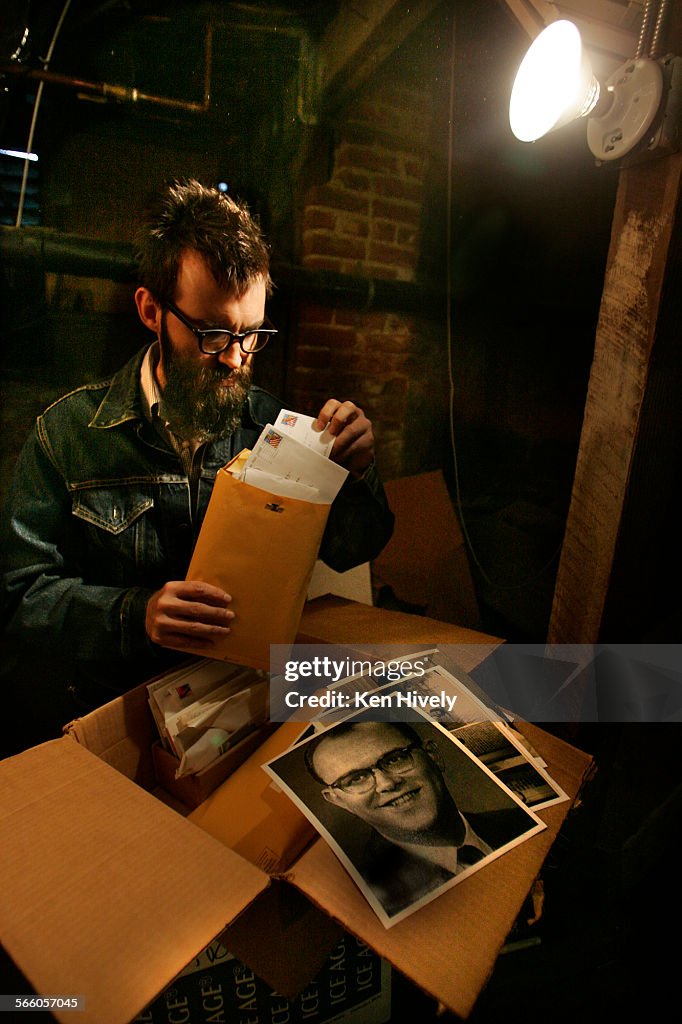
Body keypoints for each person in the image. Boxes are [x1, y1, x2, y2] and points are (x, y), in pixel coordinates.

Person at [0, 180, 394, 730]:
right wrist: (137, 614)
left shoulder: (269, 428)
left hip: (240, 706)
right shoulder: (67, 435)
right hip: (115, 711)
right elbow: (18, 597)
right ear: (150, 310)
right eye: (212, 333)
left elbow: (355, 549)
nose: (235, 359)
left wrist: (357, 472)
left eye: (251, 334)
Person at [304, 720, 532, 917]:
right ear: (339, 801)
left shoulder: (520, 821)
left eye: (395, 759)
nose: (387, 784)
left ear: (433, 755)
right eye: (355, 780)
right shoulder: (367, 902)